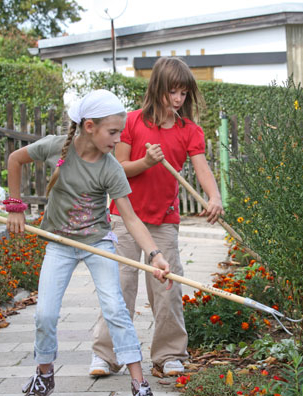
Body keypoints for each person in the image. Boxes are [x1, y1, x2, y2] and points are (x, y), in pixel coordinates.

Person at [5, 89, 172, 396]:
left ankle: (139, 383)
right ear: (89, 126)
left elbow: (131, 219)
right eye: (113, 131)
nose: (119, 139)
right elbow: (15, 159)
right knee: (45, 314)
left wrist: (155, 255)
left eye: (121, 131)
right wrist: (15, 206)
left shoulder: (110, 168)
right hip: (59, 242)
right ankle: (44, 374)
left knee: (115, 307)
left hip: (98, 242)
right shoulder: (57, 148)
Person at [90, 57, 224, 378]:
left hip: (164, 221)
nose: (177, 99)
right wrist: (147, 162)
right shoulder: (133, 122)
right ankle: (107, 356)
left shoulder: (189, 130)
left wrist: (214, 197)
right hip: (125, 217)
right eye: (172, 92)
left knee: (167, 287)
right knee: (120, 285)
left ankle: (168, 354)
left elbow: (202, 168)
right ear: (157, 89)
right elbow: (118, 168)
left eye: (183, 93)